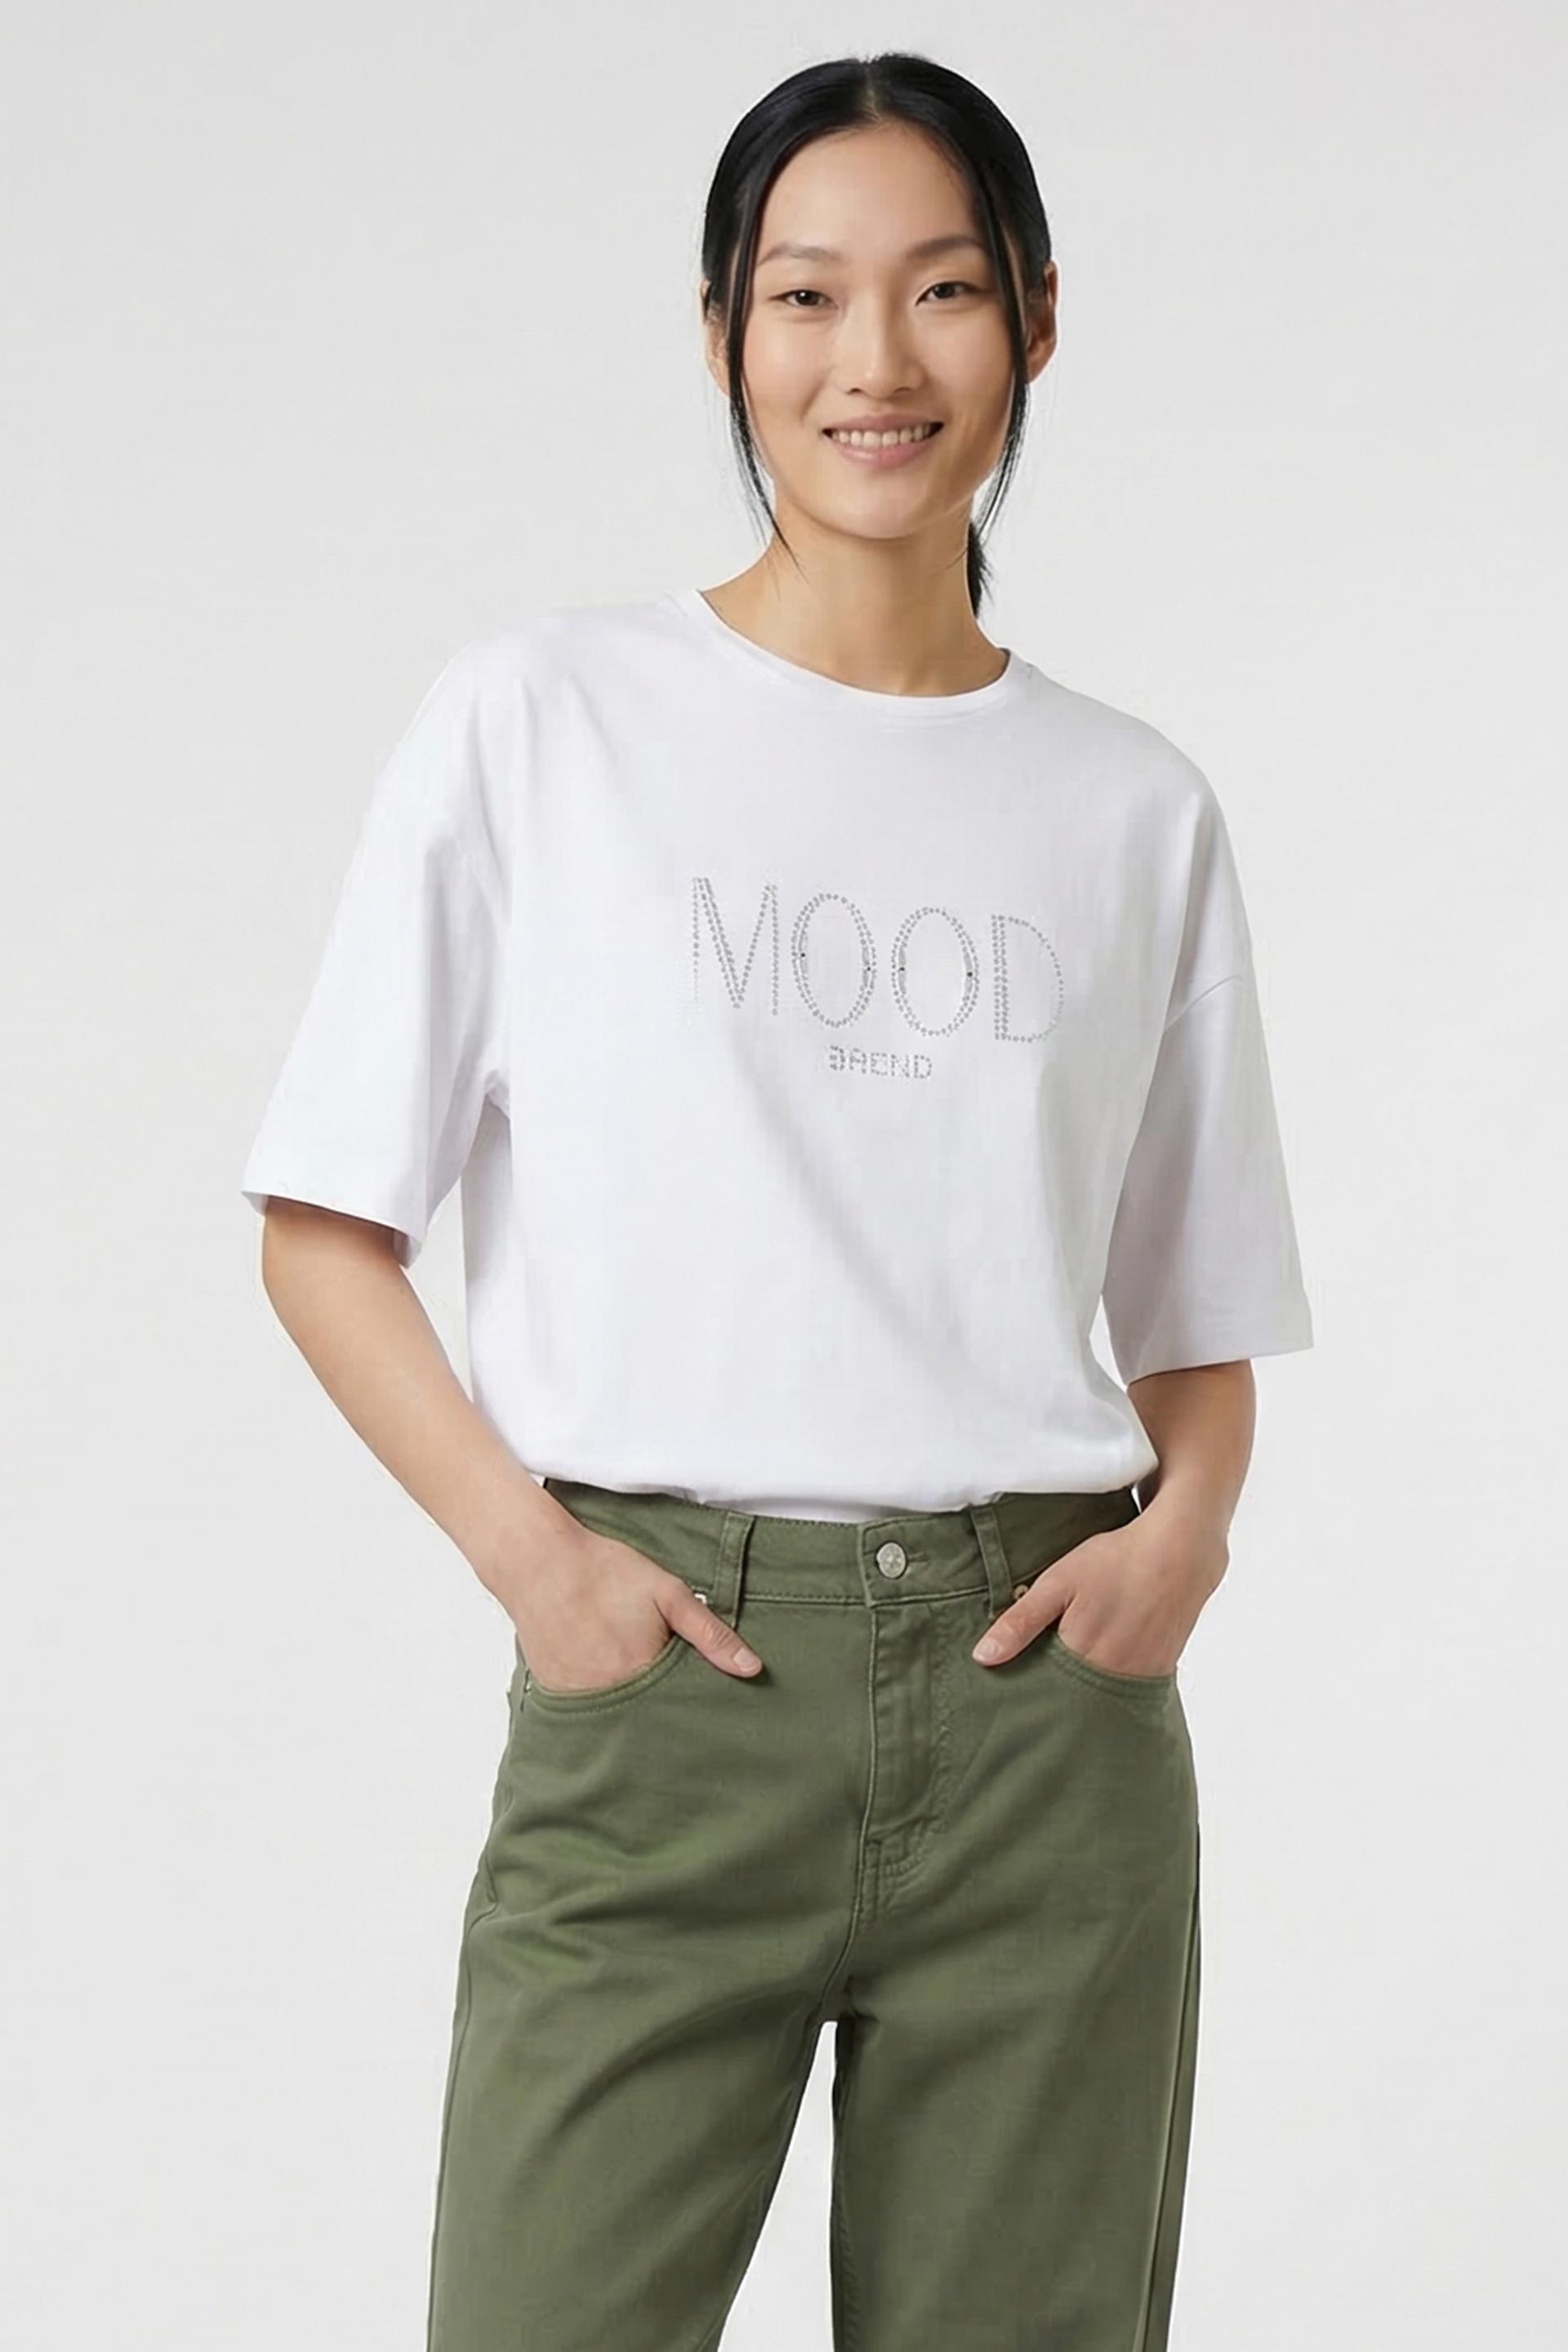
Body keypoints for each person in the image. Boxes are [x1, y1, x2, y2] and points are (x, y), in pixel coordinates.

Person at [240, 50, 1313, 2352]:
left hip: (1045, 1720)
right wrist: (540, 1569)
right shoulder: (544, 722)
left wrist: (1187, 1540)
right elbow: (324, 1229)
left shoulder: (1132, 808)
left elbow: (1197, 1315)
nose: (873, 361)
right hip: (666, 1701)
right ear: (723, 329)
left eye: (943, 289)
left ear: (1037, 318)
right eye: (806, 294)